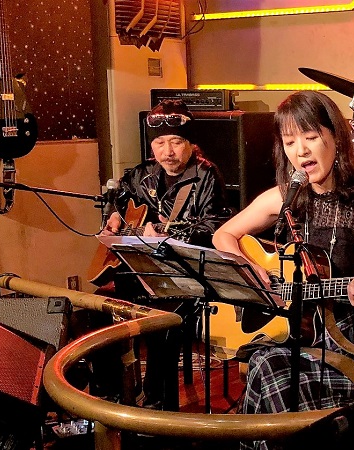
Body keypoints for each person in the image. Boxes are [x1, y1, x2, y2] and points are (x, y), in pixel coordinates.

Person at [212, 91, 354, 449]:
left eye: (311, 137)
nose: (301, 151)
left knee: (268, 371)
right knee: (267, 364)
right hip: (298, 330)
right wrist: (249, 269)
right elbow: (224, 235)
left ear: (337, 138)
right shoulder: (286, 197)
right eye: (290, 142)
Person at [93, 98, 233, 410]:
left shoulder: (206, 175)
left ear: (190, 144)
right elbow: (117, 194)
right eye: (159, 143)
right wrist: (113, 213)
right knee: (97, 306)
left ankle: (159, 406)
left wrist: (169, 236)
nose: (167, 151)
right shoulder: (143, 174)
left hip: (185, 273)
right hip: (142, 269)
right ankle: (111, 394)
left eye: (176, 142)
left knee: (162, 326)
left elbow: (215, 225)